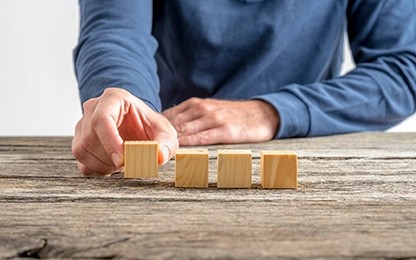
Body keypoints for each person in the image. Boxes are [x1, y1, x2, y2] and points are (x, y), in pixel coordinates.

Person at [72, 0, 416, 176]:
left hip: (311, 155)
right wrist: (124, 94)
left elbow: (405, 68)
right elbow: (114, 30)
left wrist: (272, 112)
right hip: (169, 154)